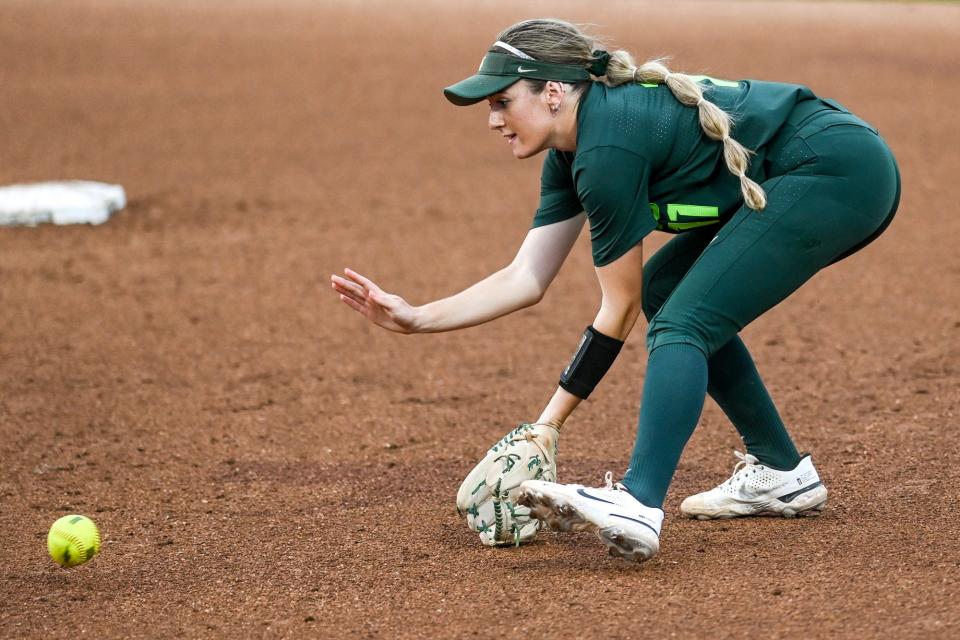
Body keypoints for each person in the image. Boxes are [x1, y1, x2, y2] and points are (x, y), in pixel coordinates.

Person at [330, 18, 901, 563]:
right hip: (818, 167)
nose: (492, 118)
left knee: (682, 323)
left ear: (553, 92)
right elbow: (526, 277)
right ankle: (781, 473)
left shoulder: (607, 147)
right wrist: (417, 317)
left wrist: (548, 425)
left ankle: (638, 501)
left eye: (502, 101)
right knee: (667, 289)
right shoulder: (572, 153)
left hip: (834, 168)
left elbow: (617, 307)